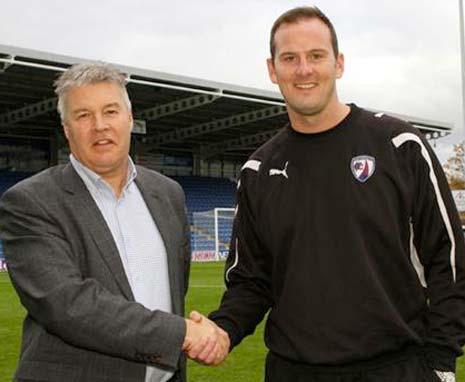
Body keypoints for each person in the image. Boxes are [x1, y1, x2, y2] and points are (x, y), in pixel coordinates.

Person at [200, 6, 465, 382]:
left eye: (316, 56)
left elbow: (449, 259)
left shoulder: (399, 145)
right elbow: (251, 280)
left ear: (338, 64)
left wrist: (441, 358)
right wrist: (222, 330)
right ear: (272, 70)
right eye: (289, 58)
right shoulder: (257, 171)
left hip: (396, 368)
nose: (304, 69)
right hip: (293, 371)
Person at [0, 63, 228, 382]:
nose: (100, 126)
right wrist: (182, 334)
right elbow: (69, 305)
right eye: (83, 115)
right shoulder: (31, 202)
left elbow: (174, 290)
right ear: (67, 128)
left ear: (130, 119)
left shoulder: (168, 193)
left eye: (110, 111)